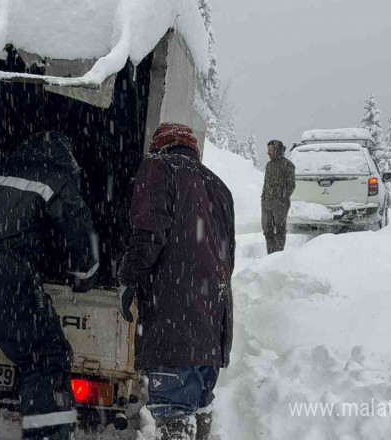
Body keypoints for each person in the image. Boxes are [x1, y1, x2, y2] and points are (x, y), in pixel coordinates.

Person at [0, 131, 99, 440]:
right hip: (6, 275)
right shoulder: (54, 178)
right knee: (44, 356)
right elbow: (78, 228)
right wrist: (84, 274)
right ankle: (46, 434)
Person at [118, 123, 235, 440]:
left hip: (175, 324)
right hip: (213, 326)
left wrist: (128, 280)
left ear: (160, 147)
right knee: (199, 406)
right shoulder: (219, 186)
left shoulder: (159, 167)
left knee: (174, 413)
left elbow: (149, 234)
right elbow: (227, 259)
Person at [260, 139, 295, 254]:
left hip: (280, 204)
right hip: (266, 203)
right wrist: (263, 198)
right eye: (268, 150)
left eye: (270, 150)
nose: (268, 152)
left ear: (276, 150)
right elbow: (266, 183)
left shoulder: (288, 165)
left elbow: (291, 185)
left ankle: (278, 256)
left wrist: (282, 199)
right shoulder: (268, 165)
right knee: (267, 230)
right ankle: (270, 255)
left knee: (279, 230)